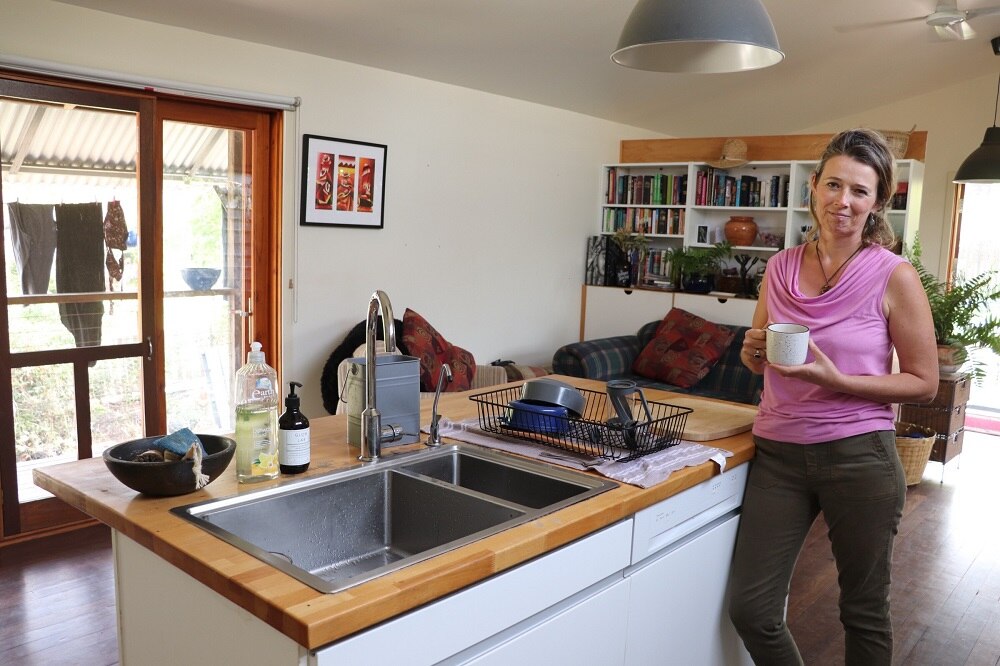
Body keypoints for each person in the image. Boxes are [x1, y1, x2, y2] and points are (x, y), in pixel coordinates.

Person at [728, 128, 939, 665]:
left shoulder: (894, 275)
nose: (843, 201)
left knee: (864, 613)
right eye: (834, 185)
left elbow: (923, 382)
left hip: (860, 456)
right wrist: (753, 351)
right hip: (777, 454)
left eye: (860, 191)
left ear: (876, 204)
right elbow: (757, 361)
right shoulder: (778, 267)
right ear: (813, 189)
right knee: (752, 609)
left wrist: (834, 378)